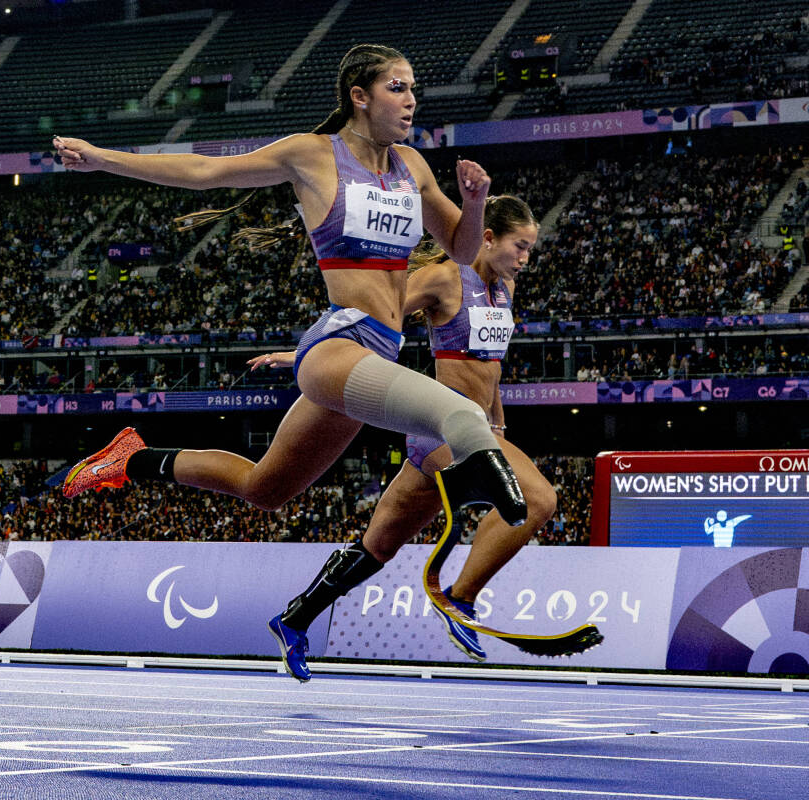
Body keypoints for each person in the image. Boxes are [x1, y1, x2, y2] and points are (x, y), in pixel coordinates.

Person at [55, 44, 527, 665]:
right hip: (340, 344)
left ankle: (134, 460)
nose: (411, 100)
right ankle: (510, 503)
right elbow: (203, 172)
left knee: (265, 489)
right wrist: (100, 159)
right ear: (360, 97)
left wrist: (472, 202)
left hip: (378, 356)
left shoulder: (412, 166)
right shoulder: (312, 154)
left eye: (413, 88)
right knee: (461, 419)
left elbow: (463, 251)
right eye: (397, 88)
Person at [249, 195, 551, 674]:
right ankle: (459, 597)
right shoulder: (444, 278)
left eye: (530, 249)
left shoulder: (505, 289)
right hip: (440, 430)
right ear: (488, 237)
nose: (525, 258)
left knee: (379, 546)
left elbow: (491, 371)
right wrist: (305, 353)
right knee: (539, 499)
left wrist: (498, 426)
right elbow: (374, 315)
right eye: (520, 246)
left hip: (474, 432)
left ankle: (293, 619)